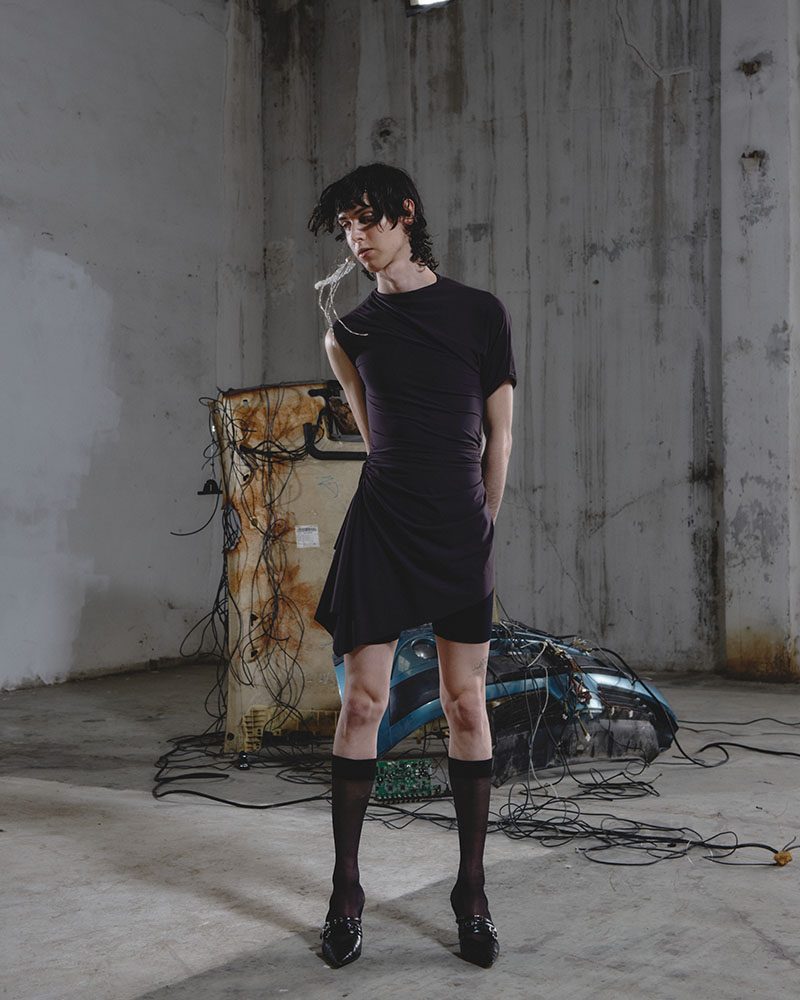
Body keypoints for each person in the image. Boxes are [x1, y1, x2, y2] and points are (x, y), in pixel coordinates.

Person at [308, 163, 515, 969]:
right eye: (345, 228)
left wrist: (484, 518)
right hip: (385, 526)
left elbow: (499, 433)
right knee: (363, 701)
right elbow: (376, 438)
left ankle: (472, 892)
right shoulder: (348, 333)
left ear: (405, 213)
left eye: (367, 220)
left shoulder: (479, 313)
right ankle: (346, 892)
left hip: (460, 527)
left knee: (465, 703)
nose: (357, 238)